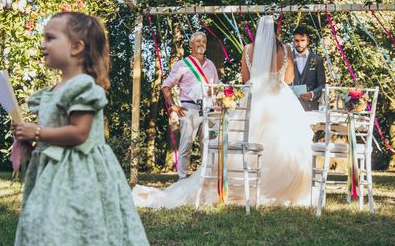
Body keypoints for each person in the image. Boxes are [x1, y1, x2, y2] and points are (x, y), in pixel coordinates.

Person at [9, 12, 156, 246]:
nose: (42, 45)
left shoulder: (83, 88)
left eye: (50, 38)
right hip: (54, 169)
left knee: (72, 223)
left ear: (76, 47)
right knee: (44, 220)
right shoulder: (52, 92)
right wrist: (31, 139)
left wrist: (38, 131)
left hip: (79, 170)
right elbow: (55, 131)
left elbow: (79, 133)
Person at [132, 15, 314, 208]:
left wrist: (260, 78)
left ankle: (238, 182)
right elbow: (289, 77)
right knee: (286, 140)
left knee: (244, 136)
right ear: (275, 32)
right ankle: (283, 188)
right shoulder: (286, 50)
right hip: (280, 99)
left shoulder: (248, 50)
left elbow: (245, 80)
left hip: (254, 98)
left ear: (258, 32)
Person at [161, 31, 219, 179]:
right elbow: (166, 86)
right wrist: (173, 105)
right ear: (191, 45)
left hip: (209, 108)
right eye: (198, 41)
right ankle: (182, 178)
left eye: (203, 42)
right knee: (186, 144)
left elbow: (216, 87)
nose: (201, 44)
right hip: (189, 108)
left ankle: (206, 177)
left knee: (208, 145)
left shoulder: (211, 64)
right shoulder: (182, 64)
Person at [291, 28, 326, 111]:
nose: (299, 44)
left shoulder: (317, 60)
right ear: (293, 41)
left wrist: (312, 94)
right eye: (296, 40)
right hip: (290, 105)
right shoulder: (287, 58)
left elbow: (322, 85)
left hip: (310, 107)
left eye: (302, 40)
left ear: (308, 41)